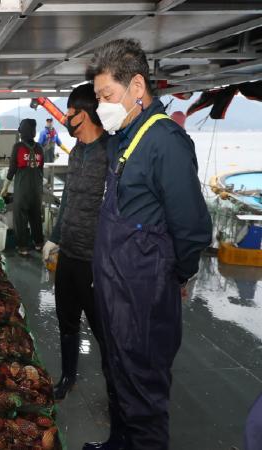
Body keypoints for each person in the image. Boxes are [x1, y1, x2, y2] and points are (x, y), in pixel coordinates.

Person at [85, 38, 212, 450]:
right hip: (115, 292)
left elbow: (191, 226)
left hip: (143, 297)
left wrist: (177, 275)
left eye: (107, 96)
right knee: (118, 378)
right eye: (98, 97)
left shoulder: (165, 142)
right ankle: (117, 442)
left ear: (136, 87)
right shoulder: (123, 138)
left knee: (143, 396)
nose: (101, 106)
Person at [41, 84, 109, 400]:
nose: (67, 121)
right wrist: (54, 238)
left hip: (95, 260)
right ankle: (68, 378)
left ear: (88, 113)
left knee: (104, 330)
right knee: (66, 320)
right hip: (68, 253)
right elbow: (67, 197)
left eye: (71, 114)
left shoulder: (112, 152)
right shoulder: (78, 152)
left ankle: (117, 390)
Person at [0, 119, 44, 256]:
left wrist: (5, 188)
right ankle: (39, 243)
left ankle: (23, 247)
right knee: (36, 216)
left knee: (20, 217)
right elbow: (40, 169)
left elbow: (12, 169)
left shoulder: (18, 147)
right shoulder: (39, 148)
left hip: (22, 189)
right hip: (36, 190)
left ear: (22, 132)